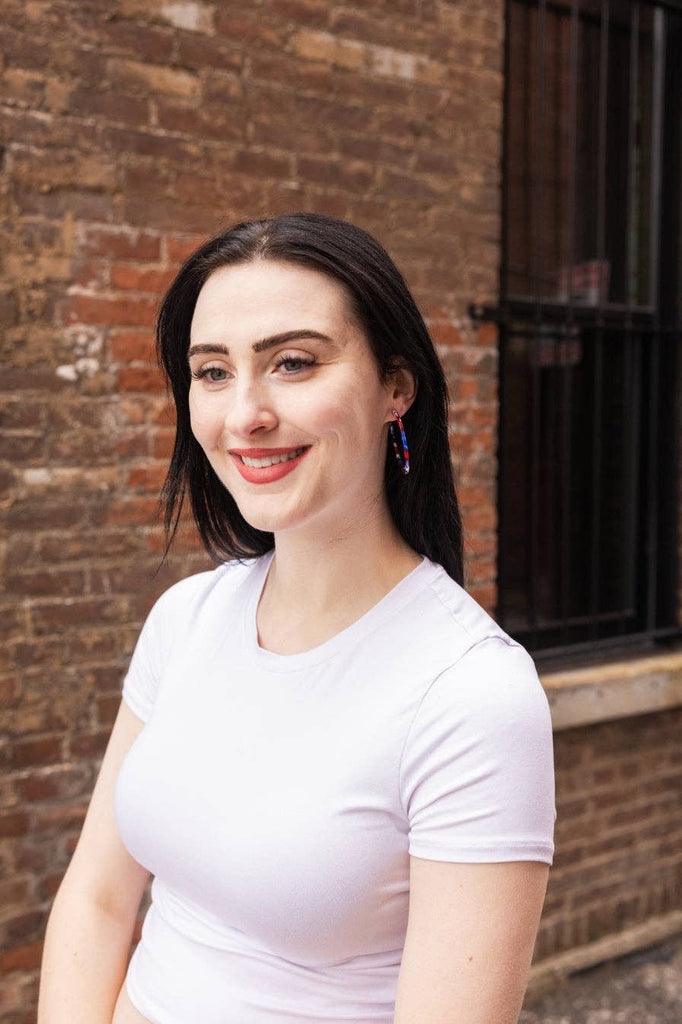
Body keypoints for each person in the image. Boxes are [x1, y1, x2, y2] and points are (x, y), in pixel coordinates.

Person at [37, 213, 556, 1024]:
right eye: (213, 371)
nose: (244, 414)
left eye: (293, 362)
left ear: (396, 387)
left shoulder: (471, 694)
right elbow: (98, 899)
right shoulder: (187, 618)